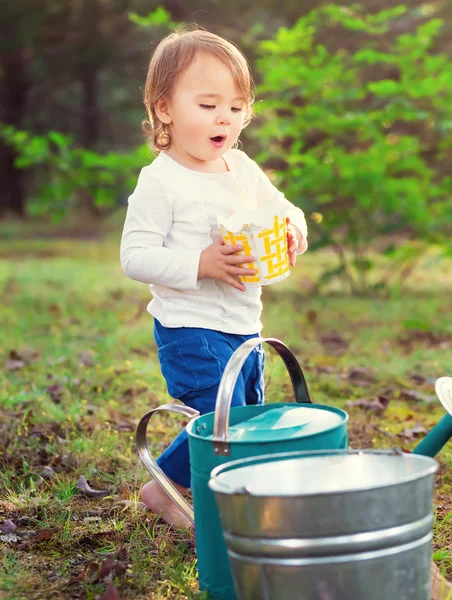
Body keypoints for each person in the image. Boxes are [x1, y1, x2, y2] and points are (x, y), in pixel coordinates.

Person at [120, 28, 308, 527]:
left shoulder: (241, 168)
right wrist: (199, 263)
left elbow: (285, 210)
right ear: (165, 109)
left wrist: (293, 230)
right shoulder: (160, 180)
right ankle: (203, 504)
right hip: (190, 326)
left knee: (242, 418)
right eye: (207, 105)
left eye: (236, 105)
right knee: (220, 421)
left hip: (245, 323)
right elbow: (135, 257)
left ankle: (165, 484)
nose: (225, 116)